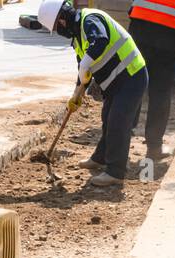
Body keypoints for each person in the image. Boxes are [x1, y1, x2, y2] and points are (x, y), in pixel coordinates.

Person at [39, 0, 149, 187]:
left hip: (132, 76)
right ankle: (100, 158)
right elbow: (84, 69)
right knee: (108, 118)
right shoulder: (78, 37)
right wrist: (77, 93)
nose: (60, 31)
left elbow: (100, 40)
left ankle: (115, 172)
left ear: (62, 20)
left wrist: (84, 64)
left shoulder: (90, 20)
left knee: (118, 121)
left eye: (57, 27)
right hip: (117, 82)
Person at [127, 0, 175, 163]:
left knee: (132, 86)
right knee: (160, 91)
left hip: (141, 25)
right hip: (170, 34)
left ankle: (120, 142)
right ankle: (154, 148)